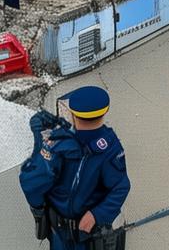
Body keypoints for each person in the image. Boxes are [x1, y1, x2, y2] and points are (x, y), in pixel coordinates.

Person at [20, 86, 130, 250]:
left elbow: (32, 183)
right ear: (104, 113)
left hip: (76, 232)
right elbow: (120, 186)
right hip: (72, 228)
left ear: (73, 115)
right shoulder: (111, 146)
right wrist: (96, 215)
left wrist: (96, 215)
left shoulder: (60, 144)